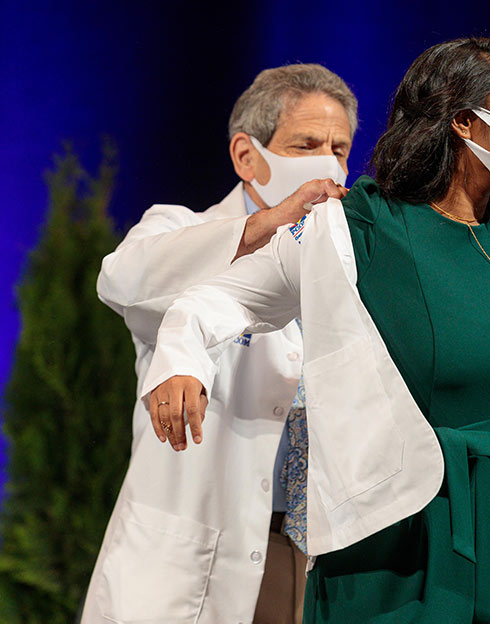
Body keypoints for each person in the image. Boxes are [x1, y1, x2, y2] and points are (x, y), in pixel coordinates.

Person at [142, 37, 490, 623]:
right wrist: (180, 358)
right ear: (464, 123)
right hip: (396, 530)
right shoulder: (360, 222)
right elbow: (223, 296)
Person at [80, 64, 356, 624]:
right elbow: (122, 279)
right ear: (245, 155)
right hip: (203, 552)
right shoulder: (179, 228)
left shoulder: (350, 261)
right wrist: (267, 226)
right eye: (306, 144)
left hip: (322, 551)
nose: (328, 161)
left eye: (340, 147)